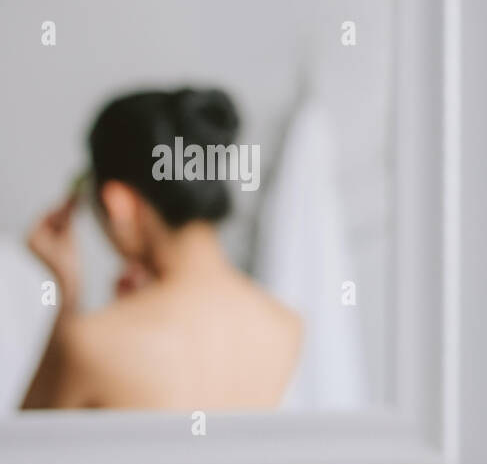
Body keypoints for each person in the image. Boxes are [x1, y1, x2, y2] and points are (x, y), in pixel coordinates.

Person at [22, 88, 301, 410]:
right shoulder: (285, 325)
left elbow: (21, 454)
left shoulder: (91, 345)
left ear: (119, 203)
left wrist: (67, 302)